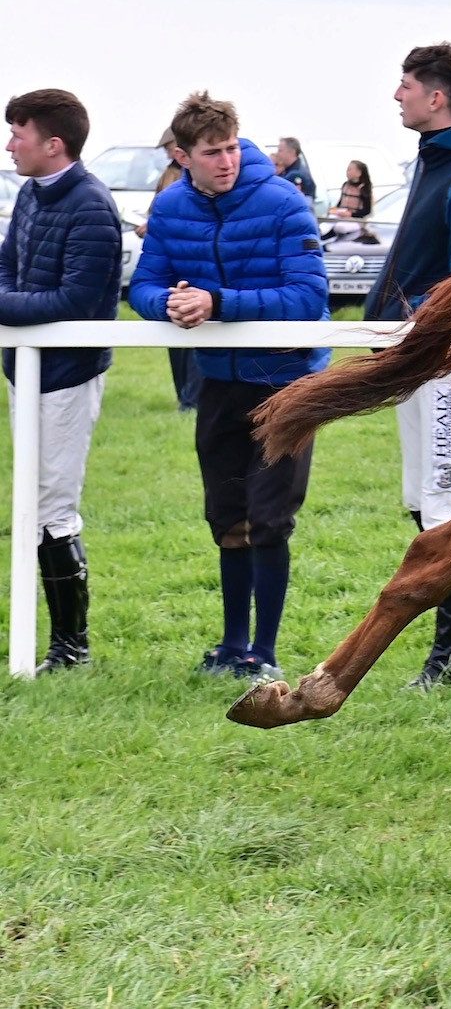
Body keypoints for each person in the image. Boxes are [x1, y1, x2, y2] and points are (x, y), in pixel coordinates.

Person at [130, 92, 329, 682]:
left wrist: (218, 303)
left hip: (286, 381)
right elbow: (143, 284)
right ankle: (231, 644)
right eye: (211, 152)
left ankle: (264, 653)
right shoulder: (169, 209)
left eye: (230, 148)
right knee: (226, 516)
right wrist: (168, 304)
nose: (226, 161)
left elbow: (309, 297)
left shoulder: (284, 203)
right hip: (218, 380)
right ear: (182, 155)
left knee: (270, 518)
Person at [365, 42, 451, 688]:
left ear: (437, 97)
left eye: (406, 85)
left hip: (447, 362)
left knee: (445, 494)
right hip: (417, 358)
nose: (398, 95)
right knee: (423, 496)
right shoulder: (435, 163)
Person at [0, 89, 122, 674]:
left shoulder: (94, 206)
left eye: (17, 136)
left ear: (54, 144)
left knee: (53, 503)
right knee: (32, 497)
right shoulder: (30, 192)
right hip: (24, 369)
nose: (8, 146)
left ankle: (70, 648)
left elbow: (75, 300)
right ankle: (60, 646)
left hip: (68, 376)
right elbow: (7, 264)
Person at [145, 128, 202, 412]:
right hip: (171, 273)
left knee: (195, 342)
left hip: (194, 269)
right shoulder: (169, 175)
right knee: (176, 342)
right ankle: (184, 396)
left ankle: (191, 399)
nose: (167, 153)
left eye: (169, 147)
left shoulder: (189, 177)